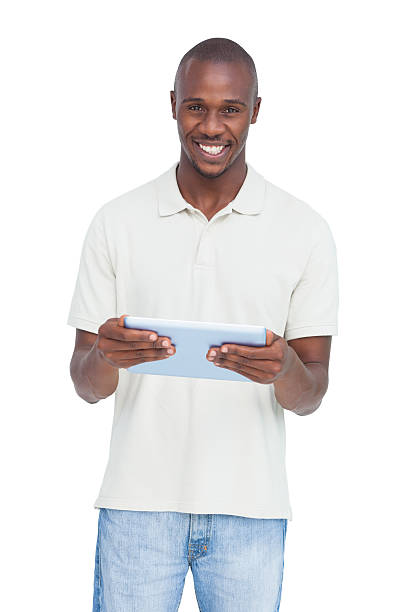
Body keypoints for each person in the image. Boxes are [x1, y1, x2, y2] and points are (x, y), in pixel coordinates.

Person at [67, 37, 339, 612]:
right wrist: (107, 358)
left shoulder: (305, 231)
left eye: (231, 109)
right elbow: (84, 383)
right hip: (138, 504)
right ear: (172, 105)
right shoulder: (116, 222)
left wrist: (285, 368)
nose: (211, 126)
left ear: (256, 111)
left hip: (253, 510)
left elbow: (311, 394)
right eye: (196, 106)